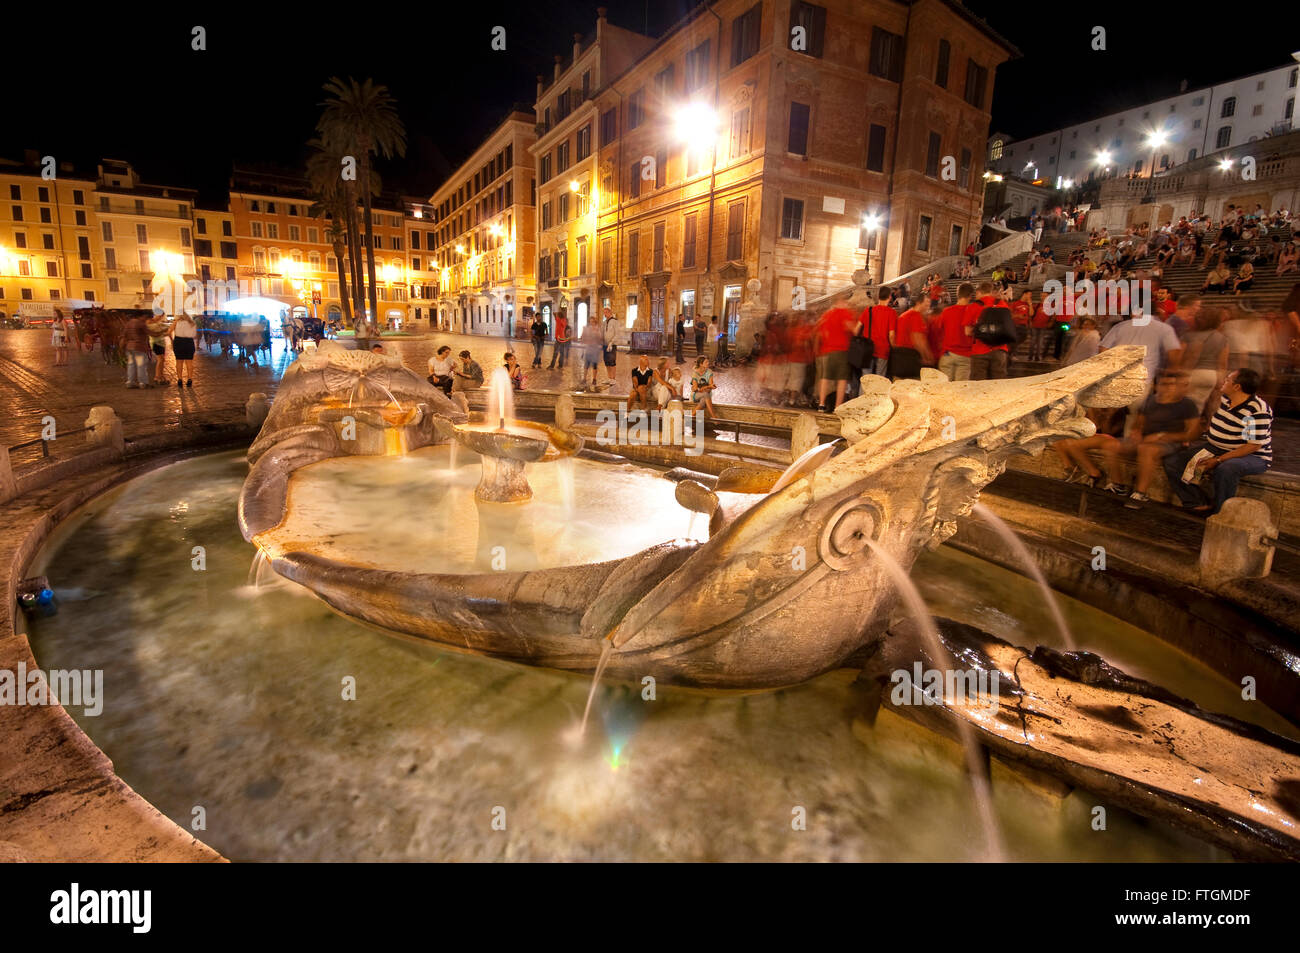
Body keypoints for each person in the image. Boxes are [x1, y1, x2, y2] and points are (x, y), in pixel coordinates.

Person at [1161, 368, 1272, 514]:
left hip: (1251, 456)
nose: (1223, 382)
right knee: (1173, 462)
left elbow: (1252, 446)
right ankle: (1196, 501)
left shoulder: (1255, 410)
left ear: (1237, 387)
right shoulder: (1225, 400)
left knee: (1227, 469)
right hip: (1215, 447)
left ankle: (1221, 513)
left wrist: (1219, 460)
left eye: (1227, 380)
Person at [1098, 307, 1184, 421]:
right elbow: (1174, 352)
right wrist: (1172, 370)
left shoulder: (1120, 327)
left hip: (1119, 376)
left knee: (1112, 415)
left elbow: (1103, 349)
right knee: (1135, 417)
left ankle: (1109, 435)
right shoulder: (1163, 328)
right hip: (1142, 378)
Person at [813, 295, 862, 411]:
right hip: (842, 350)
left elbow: (822, 333)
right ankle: (838, 407)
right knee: (842, 379)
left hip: (827, 350)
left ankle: (821, 404)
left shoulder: (827, 315)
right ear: (842, 301)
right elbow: (854, 330)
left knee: (825, 378)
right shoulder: (846, 313)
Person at [965, 282, 1009, 380]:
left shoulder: (973, 306)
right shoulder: (1002, 304)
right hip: (1000, 349)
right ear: (991, 291)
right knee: (999, 383)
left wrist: (981, 330)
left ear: (979, 292)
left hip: (979, 350)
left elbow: (967, 332)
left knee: (979, 385)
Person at [935, 283, 975, 381]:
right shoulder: (973, 311)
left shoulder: (946, 311)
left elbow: (938, 330)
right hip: (965, 355)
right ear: (970, 296)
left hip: (947, 354)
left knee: (945, 388)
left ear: (958, 294)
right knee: (960, 390)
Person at [888, 300, 931, 380]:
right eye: (926, 305)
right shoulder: (915, 316)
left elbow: (893, 336)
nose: (927, 308)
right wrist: (926, 357)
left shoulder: (903, 315)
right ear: (918, 303)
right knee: (914, 388)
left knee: (898, 387)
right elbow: (917, 339)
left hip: (898, 359)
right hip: (910, 359)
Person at [123, 311, 151, 388]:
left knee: (131, 365)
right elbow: (150, 333)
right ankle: (142, 383)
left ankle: (130, 382)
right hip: (139, 347)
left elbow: (124, 335)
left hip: (129, 347)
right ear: (141, 316)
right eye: (145, 317)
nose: (145, 319)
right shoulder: (141, 324)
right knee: (140, 365)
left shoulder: (128, 323)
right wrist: (162, 332)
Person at [172, 312, 198, 387]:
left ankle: (180, 380)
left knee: (179, 362)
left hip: (178, 342)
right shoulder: (192, 323)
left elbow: (168, 331)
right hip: (189, 342)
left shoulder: (176, 323)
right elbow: (195, 336)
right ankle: (190, 379)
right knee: (189, 362)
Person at [580, 319, 603, 389]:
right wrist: (583, 333)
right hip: (588, 349)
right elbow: (583, 338)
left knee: (594, 365)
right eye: (590, 322)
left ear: (595, 322)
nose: (591, 323)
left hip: (595, 350)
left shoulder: (598, 329)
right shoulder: (587, 329)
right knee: (586, 365)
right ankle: (584, 378)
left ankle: (594, 379)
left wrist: (596, 333)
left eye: (593, 321)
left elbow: (600, 338)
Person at [602, 307, 623, 383]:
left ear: (610, 312)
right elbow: (602, 333)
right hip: (605, 345)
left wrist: (611, 342)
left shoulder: (615, 321)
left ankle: (613, 379)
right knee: (606, 362)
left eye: (606, 312)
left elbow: (617, 334)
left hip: (612, 345)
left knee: (612, 362)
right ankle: (609, 378)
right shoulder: (604, 322)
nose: (605, 314)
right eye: (604, 312)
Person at [148, 315, 170, 385]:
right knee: (160, 359)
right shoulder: (150, 322)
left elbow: (165, 330)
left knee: (162, 360)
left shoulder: (158, 323)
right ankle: (157, 377)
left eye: (161, 316)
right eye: (159, 316)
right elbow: (157, 332)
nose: (160, 317)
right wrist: (163, 329)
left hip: (161, 343)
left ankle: (160, 376)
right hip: (156, 343)